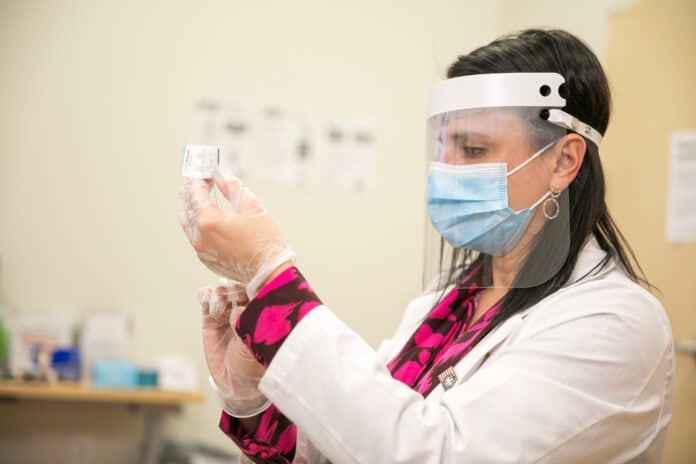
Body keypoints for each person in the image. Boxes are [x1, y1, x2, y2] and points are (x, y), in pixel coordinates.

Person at [180, 29, 674, 464]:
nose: (445, 171)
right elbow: (354, 443)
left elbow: (432, 453)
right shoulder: (447, 300)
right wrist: (250, 399)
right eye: (443, 148)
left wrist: (274, 282)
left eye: (473, 150)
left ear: (564, 160)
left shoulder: (614, 324)